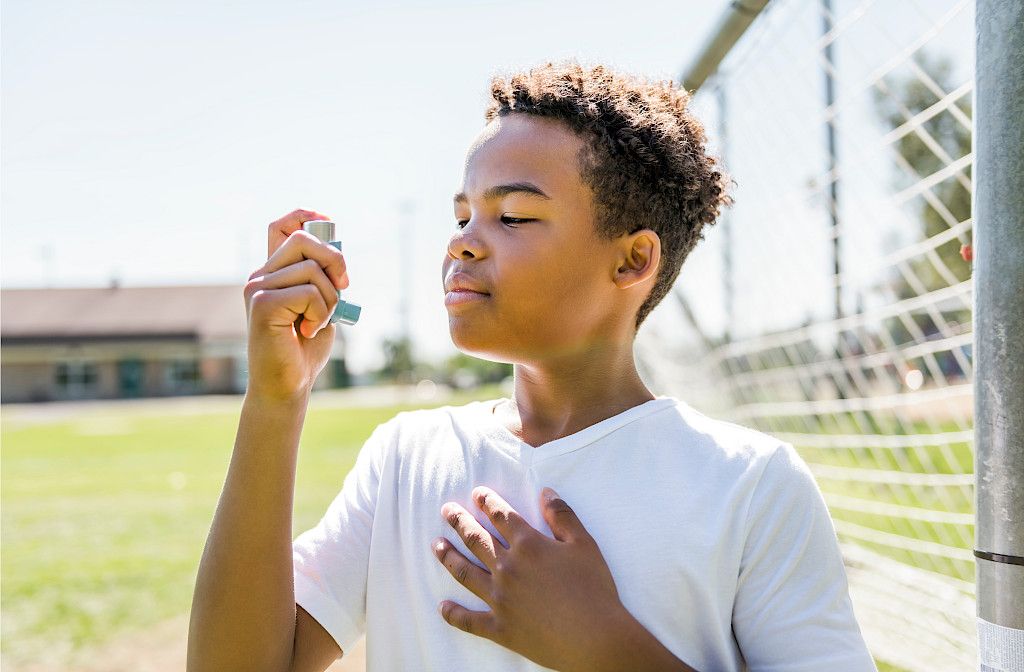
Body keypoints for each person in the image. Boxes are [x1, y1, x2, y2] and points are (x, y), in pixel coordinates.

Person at [187, 59, 878, 672]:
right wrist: (277, 402)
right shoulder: (404, 458)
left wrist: (606, 648)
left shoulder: (751, 485)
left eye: (513, 217)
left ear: (632, 260)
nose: (464, 244)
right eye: (462, 216)